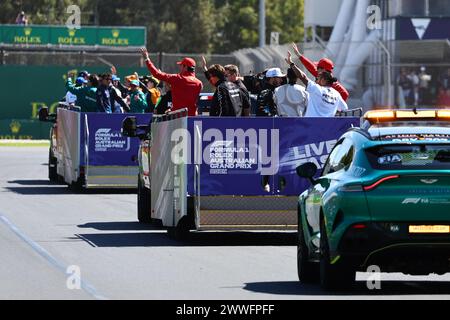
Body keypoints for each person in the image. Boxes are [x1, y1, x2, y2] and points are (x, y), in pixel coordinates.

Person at [140, 48, 203, 116]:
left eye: (181, 65)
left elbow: (156, 74)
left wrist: (147, 59)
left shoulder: (176, 78)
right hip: (192, 117)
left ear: (185, 67)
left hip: (178, 118)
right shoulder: (199, 83)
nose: (180, 68)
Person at [286, 51, 348, 117]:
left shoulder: (316, 89)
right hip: (328, 126)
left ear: (324, 80)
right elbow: (344, 108)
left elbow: (303, 77)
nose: (316, 81)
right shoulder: (337, 94)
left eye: (317, 79)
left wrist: (291, 64)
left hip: (311, 125)